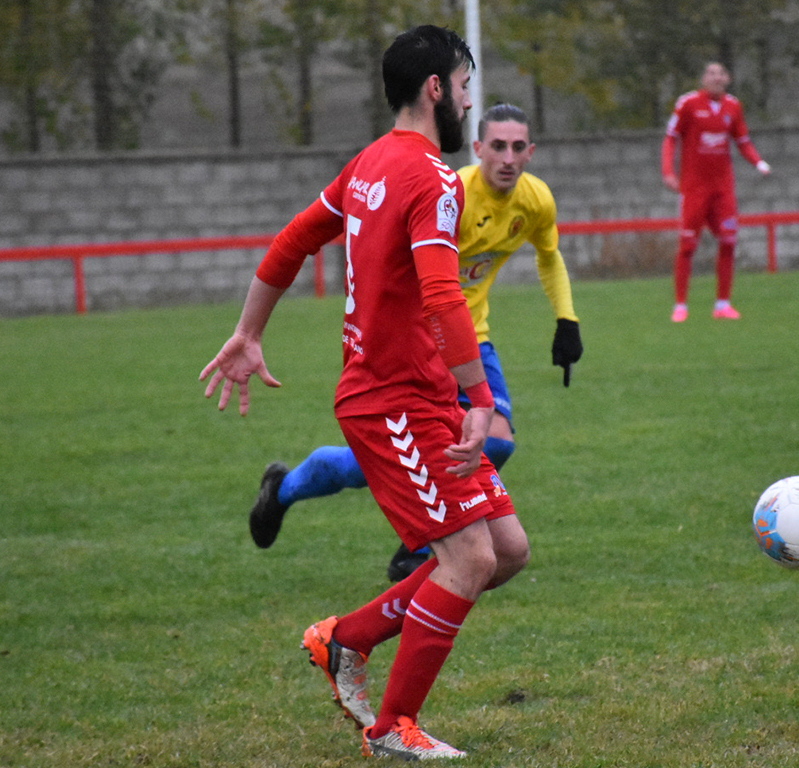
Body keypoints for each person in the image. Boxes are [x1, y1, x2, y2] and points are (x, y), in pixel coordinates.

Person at [200, 25, 531, 761]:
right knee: (467, 561)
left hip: (418, 392)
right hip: (392, 400)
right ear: (436, 89)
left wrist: (249, 332)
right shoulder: (433, 177)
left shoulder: (369, 163)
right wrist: (480, 399)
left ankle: (344, 638)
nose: (469, 103)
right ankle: (392, 728)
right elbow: (443, 293)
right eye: (465, 87)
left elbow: (292, 240)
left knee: (507, 551)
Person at [246, 102, 583, 582]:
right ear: (478, 148)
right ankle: (286, 488)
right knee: (373, 464)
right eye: (498, 146)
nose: (508, 158)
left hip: (472, 340)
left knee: (495, 443)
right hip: (415, 344)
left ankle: (425, 543)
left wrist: (566, 319)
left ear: (531, 152)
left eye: (517, 147)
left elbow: (549, 255)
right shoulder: (448, 193)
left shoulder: (536, 200)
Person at [661, 61, 771, 323]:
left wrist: (759, 162)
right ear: (703, 79)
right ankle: (681, 305)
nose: (716, 78)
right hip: (694, 188)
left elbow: (742, 141)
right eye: (711, 73)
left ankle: (723, 305)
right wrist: (668, 171)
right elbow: (670, 138)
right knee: (688, 245)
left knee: (729, 241)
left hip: (723, 189)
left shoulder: (733, 106)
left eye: (721, 73)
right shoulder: (688, 104)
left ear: (728, 79)